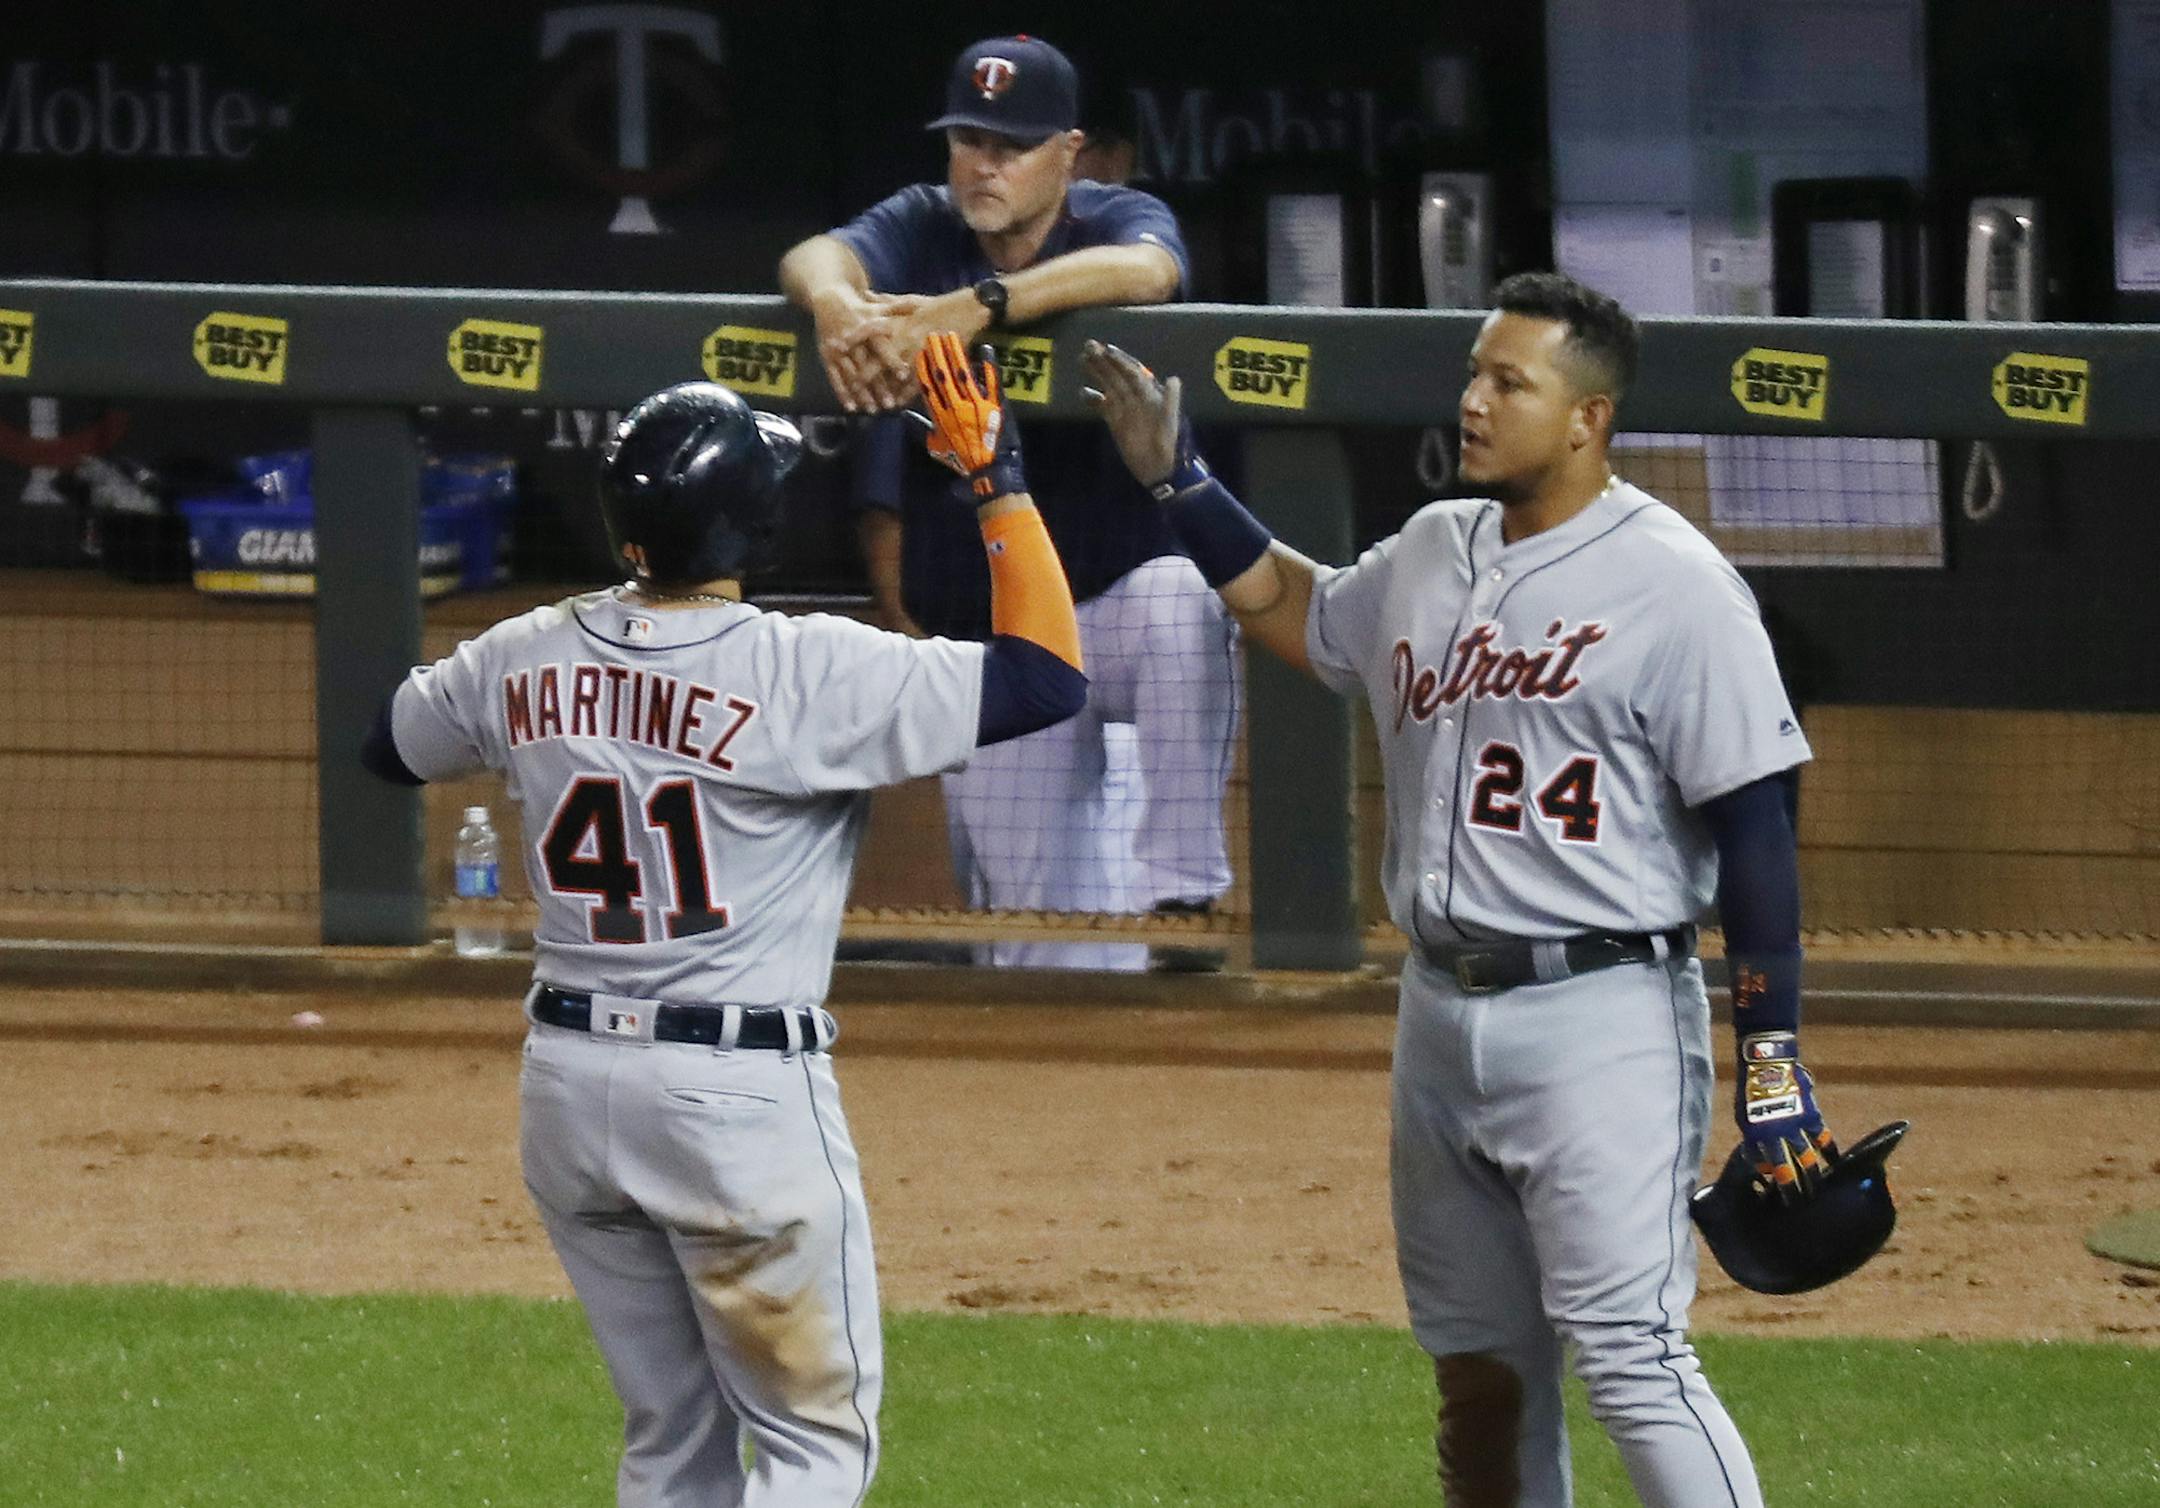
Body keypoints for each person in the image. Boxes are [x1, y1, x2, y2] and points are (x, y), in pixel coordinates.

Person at [1082, 273, 1842, 1507]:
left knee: (1634, 1361)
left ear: (1589, 416)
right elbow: (1302, 611)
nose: (1474, 401)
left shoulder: (1680, 585)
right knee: (1480, 1373)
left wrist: (1771, 1058)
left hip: (1602, 1018)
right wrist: (1177, 483)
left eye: (1509, 382)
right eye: (1473, 373)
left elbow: (1758, 833)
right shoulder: (1437, 546)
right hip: (1437, 1018)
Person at [360, 336, 1086, 1508]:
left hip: (568, 1089)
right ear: (753, 528)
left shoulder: (524, 651)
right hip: (733, 1108)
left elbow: (388, 746)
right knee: (810, 1448)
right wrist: (996, 481)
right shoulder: (809, 669)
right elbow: (1048, 676)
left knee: (667, 1440)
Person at [778, 34, 1238, 970]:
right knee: (1037, 949)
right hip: (1000, 640)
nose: (984, 163)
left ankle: (1183, 897)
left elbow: (1151, 272)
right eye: (968, 139)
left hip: (1114, 611)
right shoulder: (920, 222)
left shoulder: (1114, 214)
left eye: (1013, 144)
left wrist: (981, 302)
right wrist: (838, 309)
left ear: (1067, 153)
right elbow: (817, 254)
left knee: (1182, 603)